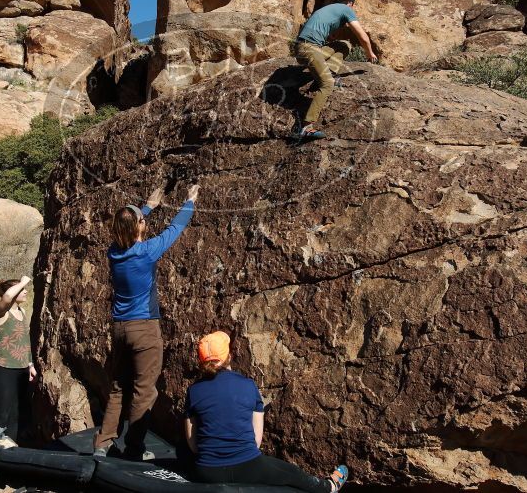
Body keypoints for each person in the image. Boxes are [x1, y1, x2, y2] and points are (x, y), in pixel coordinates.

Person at [94, 184, 200, 460]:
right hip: (144, 329)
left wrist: (148, 208)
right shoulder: (147, 252)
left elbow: (127, 228)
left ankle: (102, 443)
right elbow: (175, 229)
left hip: (119, 327)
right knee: (144, 391)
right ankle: (134, 448)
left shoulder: (114, 252)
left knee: (118, 387)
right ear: (139, 228)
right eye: (141, 220)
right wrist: (189, 201)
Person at [184, 331, 348, 493]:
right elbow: (256, 441)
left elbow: (193, 444)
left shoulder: (194, 391)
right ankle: (329, 487)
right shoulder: (248, 385)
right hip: (248, 466)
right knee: (293, 473)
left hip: (207, 471)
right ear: (229, 356)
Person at [294, 0, 378, 139]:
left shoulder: (327, 9)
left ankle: (330, 72)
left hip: (305, 48)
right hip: (309, 49)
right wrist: (369, 53)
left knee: (343, 44)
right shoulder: (346, 9)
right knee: (327, 84)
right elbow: (362, 36)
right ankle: (306, 127)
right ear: (350, 3)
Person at [0, 275, 36, 443]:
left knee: (17, 414)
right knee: (2, 415)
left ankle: (11, 450)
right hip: (4, 370)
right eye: (22, 289)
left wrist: (30, 364)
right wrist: (23, 281)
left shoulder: (22, 312)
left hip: (22, 368)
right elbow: (7, 297)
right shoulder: (1, 312)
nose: (25, 291)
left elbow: (24, 340)